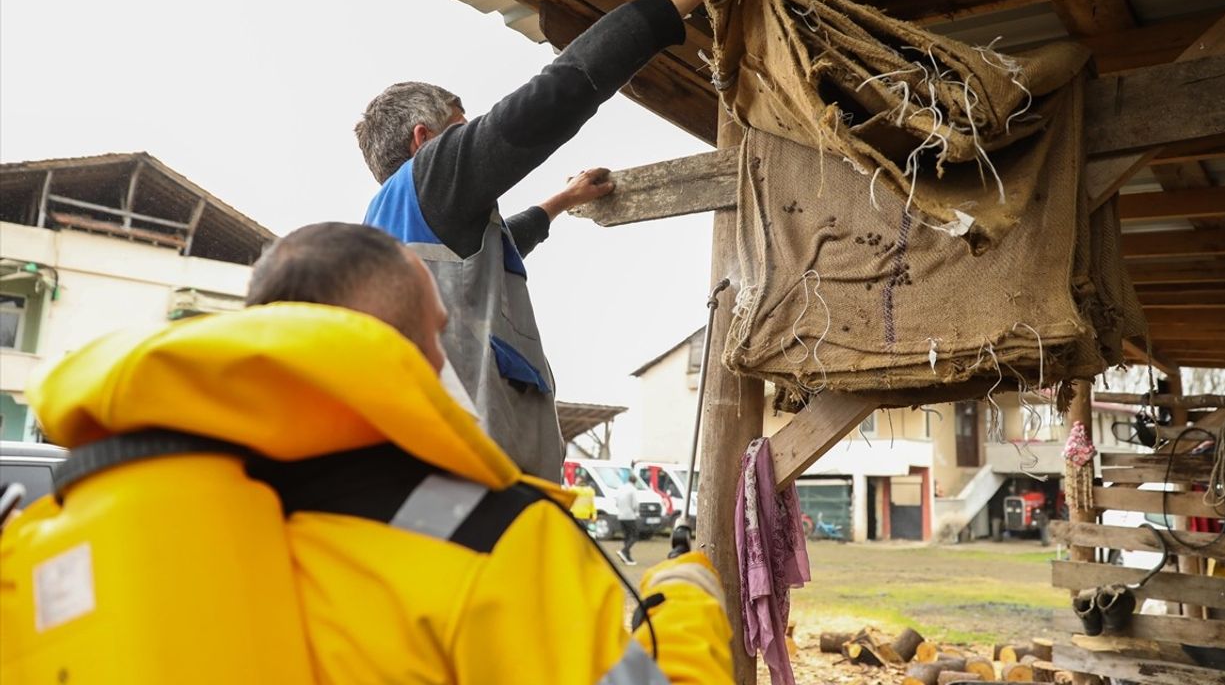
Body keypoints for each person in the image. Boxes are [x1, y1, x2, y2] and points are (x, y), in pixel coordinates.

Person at [13, 223, 734, 683]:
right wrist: (686, 606)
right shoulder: (497, 540)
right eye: (438, 331)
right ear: (405, 350)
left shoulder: (79, 521)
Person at [354, 0, 747, 482]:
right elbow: (555, 94)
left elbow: (489, 258)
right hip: (478, 476)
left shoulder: (392, 230)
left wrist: (559, 203)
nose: (473, 144)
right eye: (462, 132)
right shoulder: (432, 174)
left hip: (435, 475)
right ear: (425, 140)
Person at [616, 470, 640, 565]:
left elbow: (617, 502)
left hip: (620, 515)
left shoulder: (621, 488)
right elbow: (635, 504)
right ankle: (624, 551)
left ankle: (627, 557)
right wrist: (636, 512)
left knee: (626, 536)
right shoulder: (633, 490)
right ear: (635, 482)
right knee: (634, 536)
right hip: (629, 515)